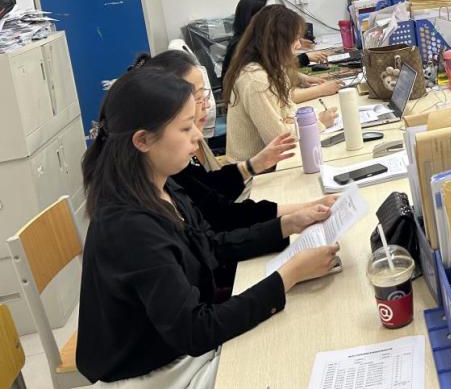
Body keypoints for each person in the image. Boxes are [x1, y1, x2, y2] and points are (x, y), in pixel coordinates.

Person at [77, 66, 342, 387]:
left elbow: (211, 244)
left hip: (179, 347)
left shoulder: (160, 184)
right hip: (157, 372)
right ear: (143, 140)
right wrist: (290, 274)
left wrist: (286, 225)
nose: (198, 136)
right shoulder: (129, 227)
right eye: (185, 127)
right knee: (288, 355)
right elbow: (195, 330)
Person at [139, 50, 336, 230]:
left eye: (203, 95)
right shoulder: (168, 169)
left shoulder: (182, 145)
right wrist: (296, 216)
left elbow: (209, 190)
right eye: (198, 97)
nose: (207, 105)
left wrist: (253, 165)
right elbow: (219, 216)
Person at [223, 5, 338, 163]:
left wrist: (290, 122)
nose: (299, 45)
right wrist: (318, 123)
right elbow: (279, 139)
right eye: (295, 39)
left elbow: (288, 110)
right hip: (256, 173)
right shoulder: (256, 79)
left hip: (271, 162)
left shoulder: (271, 66)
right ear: (278, 42)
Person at [222, 0, 336, 104]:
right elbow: (282, 97)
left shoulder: (254, 43)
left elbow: (277, 69)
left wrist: (301, 78)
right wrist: (321, 90)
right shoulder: (250, 59)